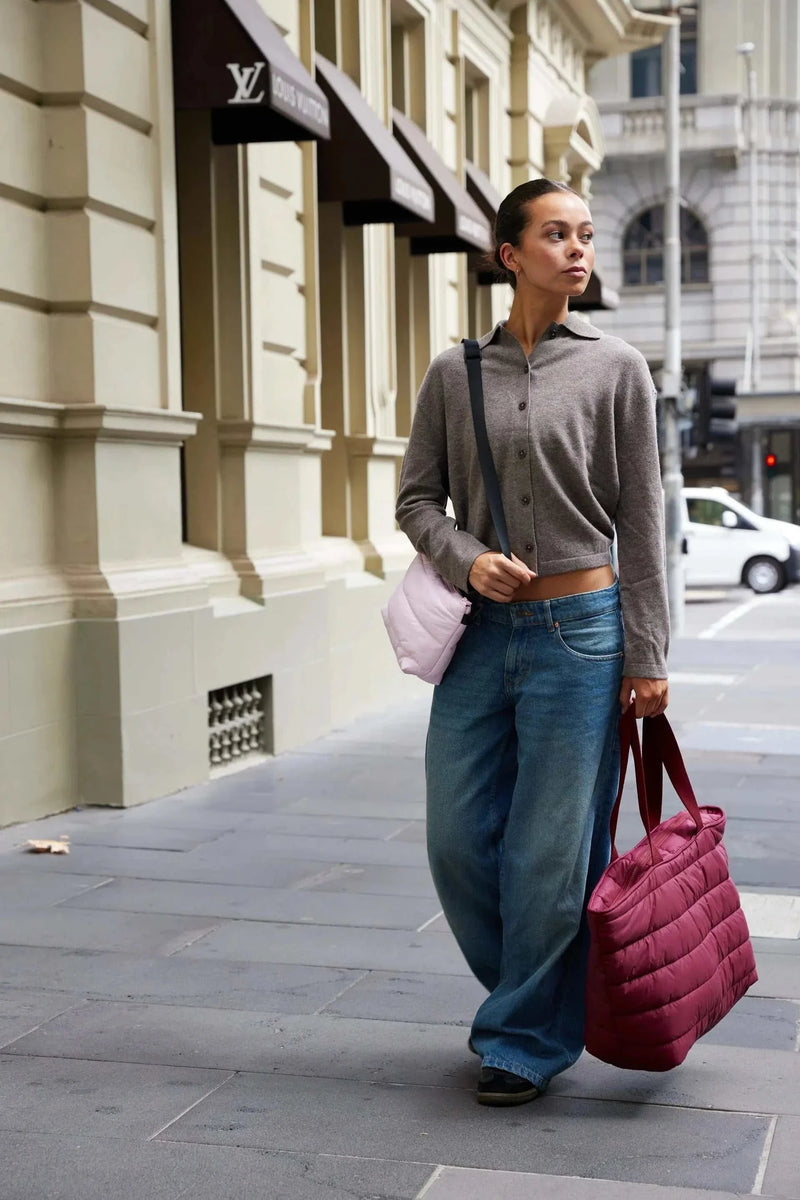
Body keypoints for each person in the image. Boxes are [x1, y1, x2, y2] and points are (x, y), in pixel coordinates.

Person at [395, 178, 669, 1107]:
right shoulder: (452, 371)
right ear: (510, 254)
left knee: (553, 850)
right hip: (480, 636)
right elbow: (416, 501)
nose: (579, 249)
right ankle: (536, 995)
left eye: (585, 234)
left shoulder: (618, 368)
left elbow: (642, 518)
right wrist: (467, 560)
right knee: (459, 840)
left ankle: (521, 1037)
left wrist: (648, 655)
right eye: (557, 234)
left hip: (583, 637)